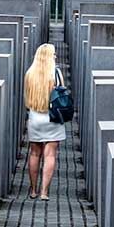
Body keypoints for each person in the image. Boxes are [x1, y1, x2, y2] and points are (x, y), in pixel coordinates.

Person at [24, 43, 66, 201]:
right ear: (48, 57)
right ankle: (44, 192)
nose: (55, 56)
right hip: (53, 117)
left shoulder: (30, 73)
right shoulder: (56, 73)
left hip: (35, 117)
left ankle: (33, 190)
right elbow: (63, 92)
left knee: (35, 154)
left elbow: (27, 99)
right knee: (50, 156)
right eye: (53, 54)